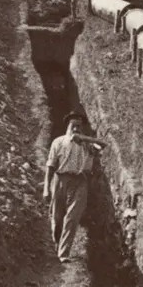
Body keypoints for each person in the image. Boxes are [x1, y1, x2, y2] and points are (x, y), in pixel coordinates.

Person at [44, 112, 105, 263]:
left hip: (80, 182)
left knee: (72, 217)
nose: (76, 129)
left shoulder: (87, 145)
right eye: (73, 126)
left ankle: (63, 253)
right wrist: (46, 188)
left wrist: (85, 139)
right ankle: (57, 243)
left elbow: (103, 145)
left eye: (79, 126)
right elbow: (50, 167)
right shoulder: (58, 143)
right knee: (58, 218)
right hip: (60, 180)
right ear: (68, 127)